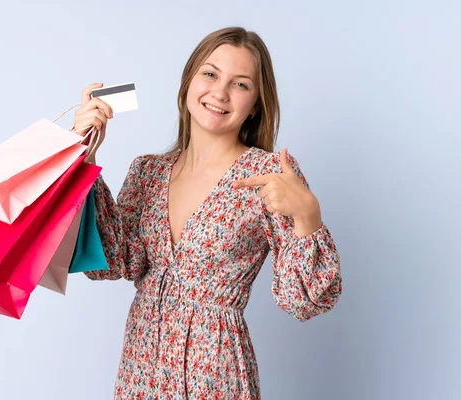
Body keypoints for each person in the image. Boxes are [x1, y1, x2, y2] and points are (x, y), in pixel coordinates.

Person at [72, 26, 342, 400]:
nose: (220, 92)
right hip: (141, 369)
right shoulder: (147, 171)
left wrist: (309, 216)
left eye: (241, 84)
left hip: (214, 374)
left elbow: (304, 301)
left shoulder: (267, 175)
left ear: (257, 104)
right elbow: (113, 263)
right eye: (211, 74)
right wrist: (83, 156)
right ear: (188, 83)